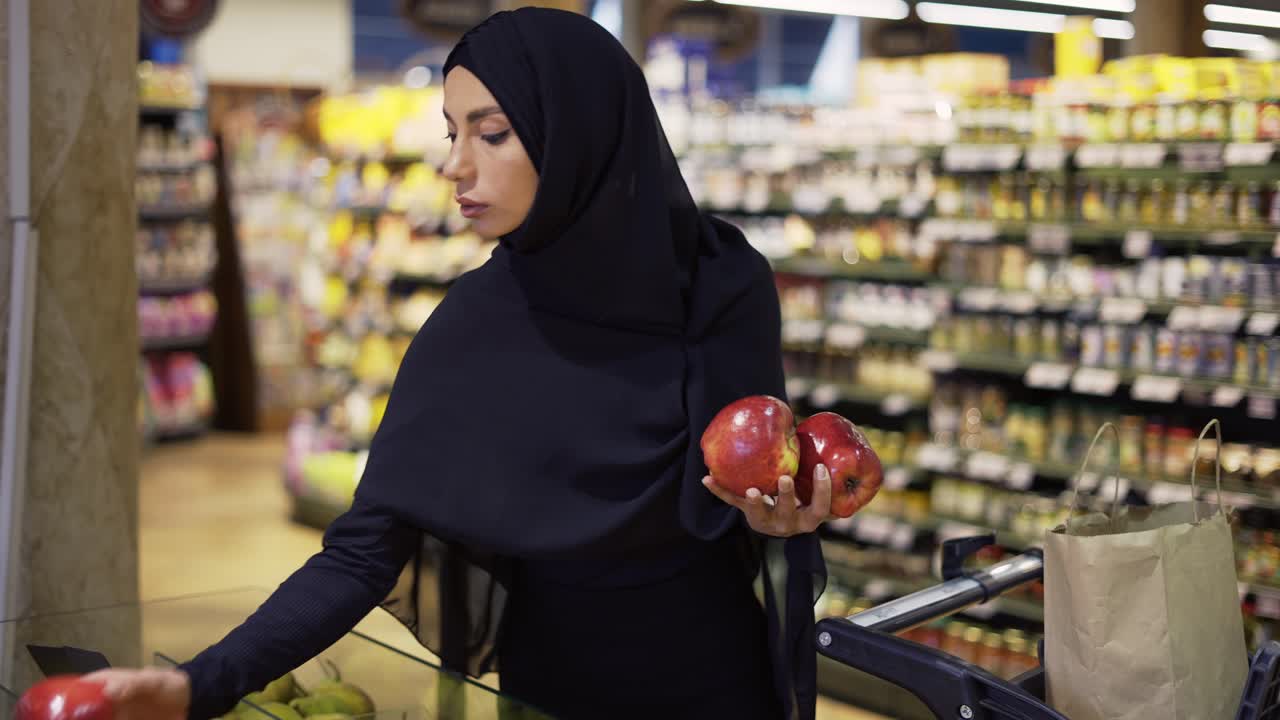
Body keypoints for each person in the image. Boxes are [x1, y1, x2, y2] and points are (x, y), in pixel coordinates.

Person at [89, 9, 830, 720]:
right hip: (549, 690)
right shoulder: (475, 324)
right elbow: (362, 553)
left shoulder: (725, 282)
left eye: (493, 133)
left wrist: (785, 517)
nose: (453, 165)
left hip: (716, 685)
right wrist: (198, 685)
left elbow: (753, 493)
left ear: (579, 132)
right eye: (452, 132)